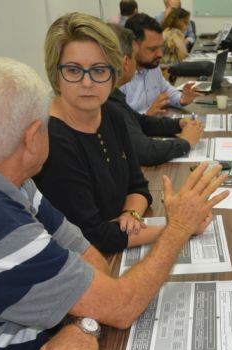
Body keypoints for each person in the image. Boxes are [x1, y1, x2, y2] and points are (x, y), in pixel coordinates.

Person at [0, 55, 227, 350]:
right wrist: (178, 227)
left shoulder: (9, 180)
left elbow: (82, 251)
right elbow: (122, 307)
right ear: (32, 136)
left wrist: (83, 321)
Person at [33, 13, 157, 254]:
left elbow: (139, 187)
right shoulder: (52, 139)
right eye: (73, 70)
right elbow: (92, 236)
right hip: (81, 263)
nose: (87, 83)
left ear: (114, 71)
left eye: (99, 70)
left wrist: (130, 215)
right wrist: (177, 228)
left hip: (121, 244)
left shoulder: (111, 114)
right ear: (55, 73)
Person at [107, 24, 203, 166]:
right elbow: (145, 152)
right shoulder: (106, 100)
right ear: (126, 62)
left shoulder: (113, 94)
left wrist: (178, 124)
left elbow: (140, 121)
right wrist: (185, 142)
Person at [121, 13, 199, 116]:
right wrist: (146, 116)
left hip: (156, 125)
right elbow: (121, 121)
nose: (160, 54)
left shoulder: (152, 64)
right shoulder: (120, 76)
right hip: (139, 129)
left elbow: (165, 88)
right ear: (133, 45)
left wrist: (181, 99)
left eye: (160, 47)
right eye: (153, 49)